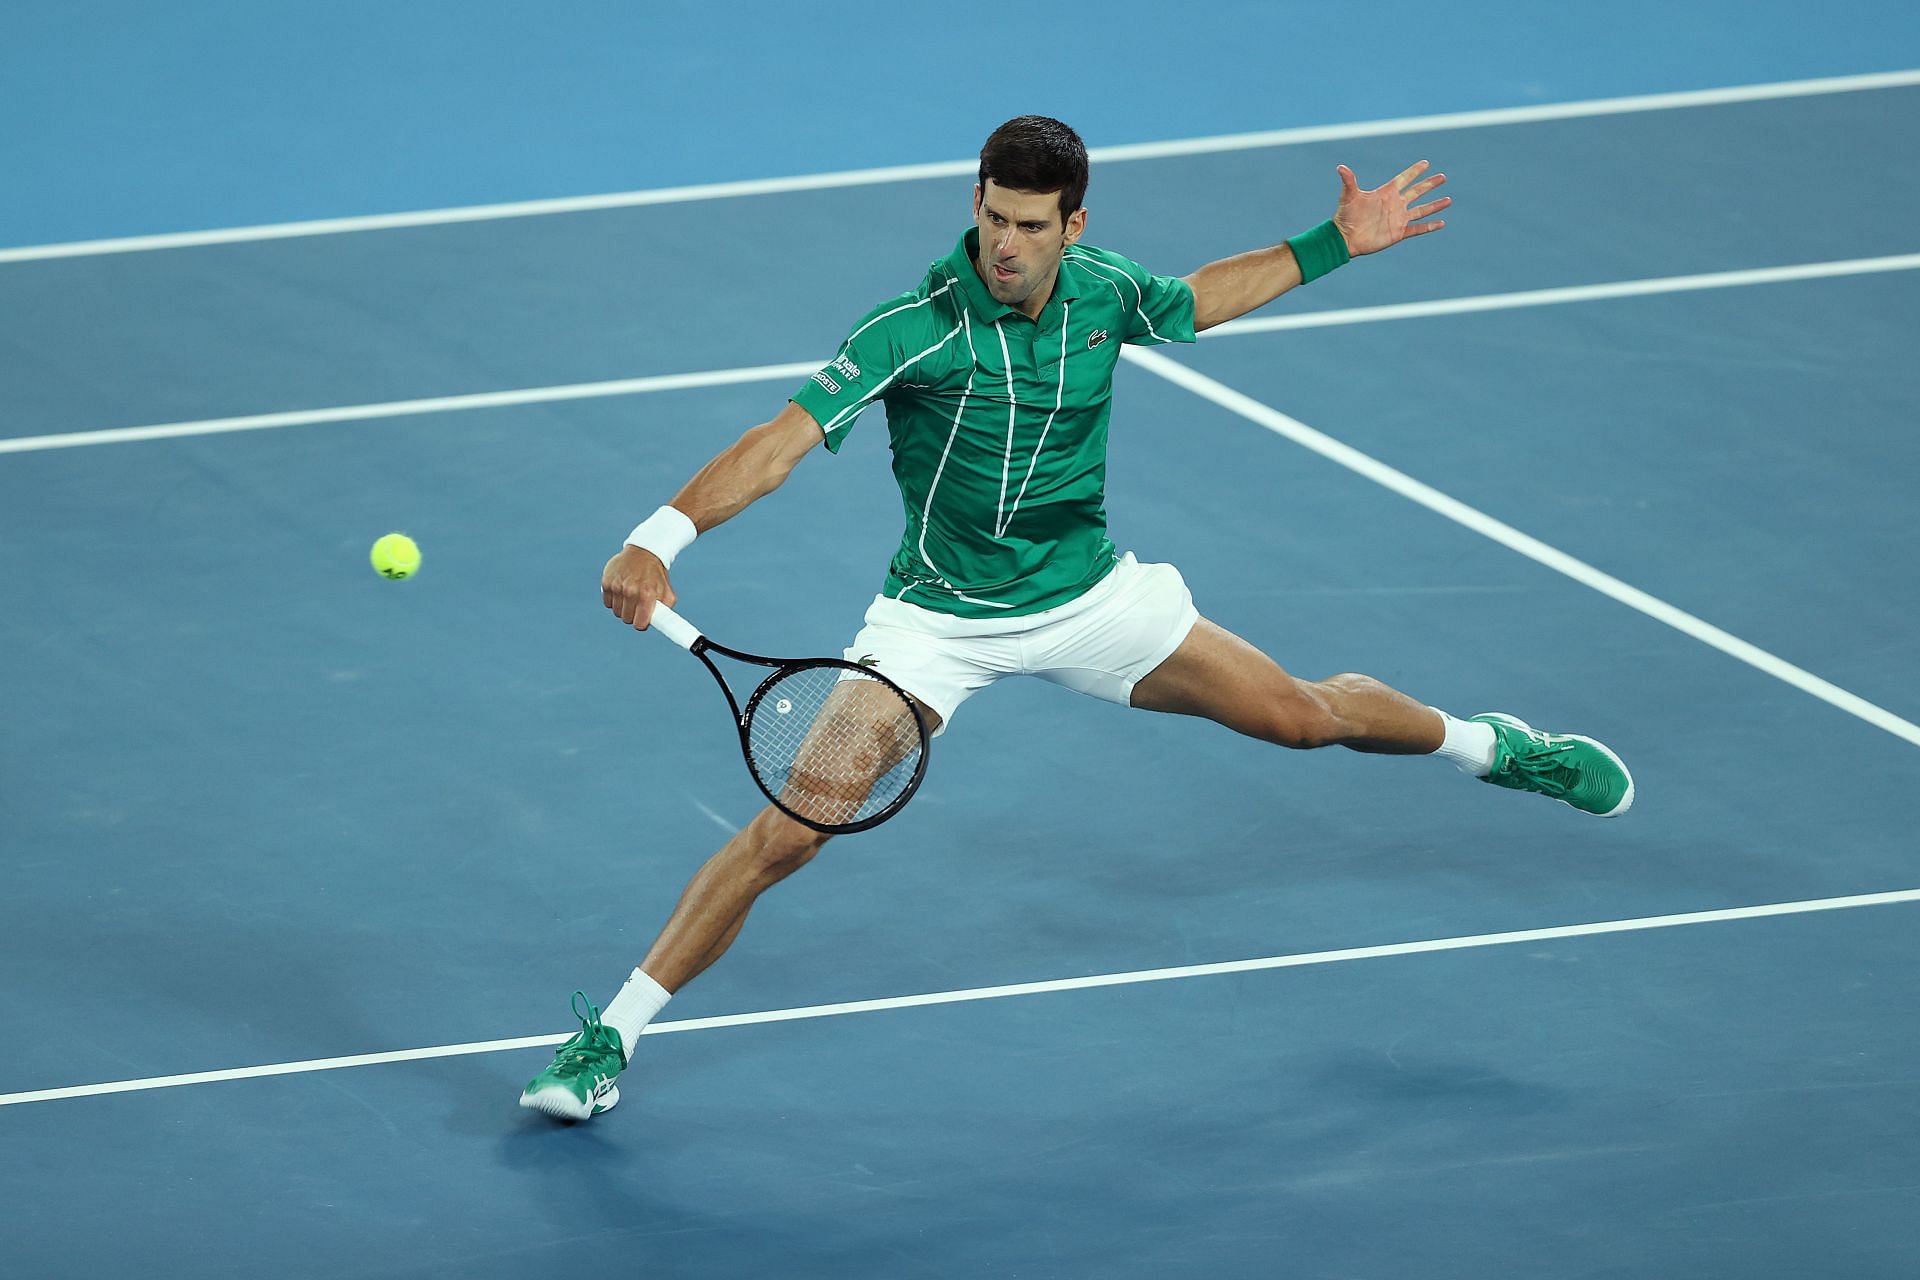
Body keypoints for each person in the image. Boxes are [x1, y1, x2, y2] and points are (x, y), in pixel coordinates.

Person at [520, 116, 1632, 1121]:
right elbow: (782, 438)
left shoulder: (1103, 290)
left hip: (1094, 598)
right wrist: (659, 536)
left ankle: (1493, 746)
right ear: (977, 205)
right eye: (992, 217)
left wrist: (1334, 241)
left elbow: (1198, 297)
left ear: (1074, 224)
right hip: (936, 625)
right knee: (791, 828)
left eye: (1029, 225)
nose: (1004, 244)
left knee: (1300, 715)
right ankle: (609, 1033)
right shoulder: (913, 327)